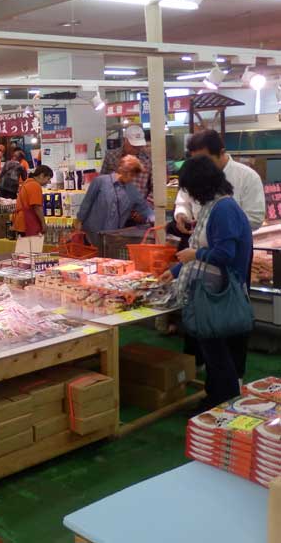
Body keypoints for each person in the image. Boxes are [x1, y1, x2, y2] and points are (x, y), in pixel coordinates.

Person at [160, 156, 253, 406]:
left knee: (217, 351)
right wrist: (177, 270)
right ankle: (216, 397)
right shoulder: (215, 206)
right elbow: (205, 247)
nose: (189, 195)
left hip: (218, 293)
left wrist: (194, 255)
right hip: (210, 290)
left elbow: (224, 254)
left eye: (189, 188)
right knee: (214, 351)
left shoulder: (224, 210)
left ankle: (221, 401)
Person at [173, 130, 265, 377]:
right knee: (206, 327)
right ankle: (204, 371)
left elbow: (225, 250)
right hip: (205, 266)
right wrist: (182, 214)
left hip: (225, 270)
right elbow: (183, 200)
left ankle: (232, 380)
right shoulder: (209, 201)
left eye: (203, 159)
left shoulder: (228, 200)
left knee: (228, 324)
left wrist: (206, 244)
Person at [75, 155, 154, 251]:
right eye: (132, 175)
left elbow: (144, 208)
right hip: (92, 234)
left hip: (112, 237)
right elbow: (87, 202)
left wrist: (154, 219)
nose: (132, 179)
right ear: (124, 171)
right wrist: (79, 220)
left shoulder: (131, 190)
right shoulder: (100, 181)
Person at [101, 124, 152, 201]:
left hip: (139, 207)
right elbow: (103, 182)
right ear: (125, 140)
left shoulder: (148, 160)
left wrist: (145, 206)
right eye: (133, 146)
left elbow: (155, 187)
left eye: (139, 146)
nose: (136, 149)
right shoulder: (111, 157)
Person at [13, 165, 54, 237]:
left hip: (21, 222)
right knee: (31, 247)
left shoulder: (27, 182)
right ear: (42, 175)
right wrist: (43, 223)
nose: (47, 182)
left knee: (23, 247)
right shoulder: (35, 185)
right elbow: (37, 207)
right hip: (27, 223)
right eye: (48, 179)